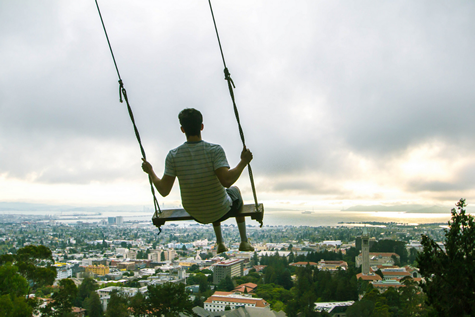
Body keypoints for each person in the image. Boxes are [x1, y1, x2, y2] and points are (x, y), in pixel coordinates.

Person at [141, 108, 254, 253]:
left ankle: (220, 243)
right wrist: (243, 162)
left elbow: (163, 190)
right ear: (202, 126)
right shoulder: (214, 150)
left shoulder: (173, 155)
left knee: (212, 194)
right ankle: (244, 241)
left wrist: (151, 172)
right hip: (220, 209)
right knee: (234, 191)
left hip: (195, 212)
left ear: (182, 129)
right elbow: (227, 181)